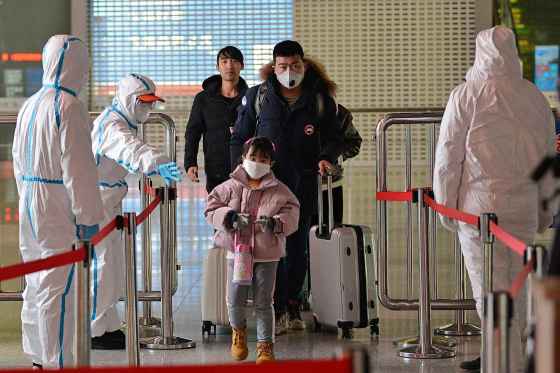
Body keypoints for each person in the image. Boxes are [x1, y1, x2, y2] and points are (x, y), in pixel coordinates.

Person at [433, 26, 556, 372]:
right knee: (516, 294)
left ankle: (503, 366)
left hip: (479, 214)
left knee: (489, 296)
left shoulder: (466, 95)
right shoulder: (534, 97)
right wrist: (546, 209)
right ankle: (512, 361)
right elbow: (549, 160)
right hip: (524, 211)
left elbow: (447, 158)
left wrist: (446, 208)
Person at [230, 40, 344, 335]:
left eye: (294, 66)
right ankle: (272, 308)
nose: (289, 71)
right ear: (274, 66)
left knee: (296, 247)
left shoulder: (320, 100)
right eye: (282, 66)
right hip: (264, 186)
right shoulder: (258, 97)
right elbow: (240, 138)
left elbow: (334, 137)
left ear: (303, 65)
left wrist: (326, 158)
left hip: (302, 184)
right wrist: (240, 176)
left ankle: (292, 304)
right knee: (265, 247)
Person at [11, 34, 104, 369]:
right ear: (77, 66)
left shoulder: (30, 104)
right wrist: (88, 215)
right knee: (58, 287)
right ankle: (58, 362)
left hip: (31, 200)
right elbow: (78, 169)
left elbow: (18, 161)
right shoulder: (69, 107)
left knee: (35, 282)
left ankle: (37, 356)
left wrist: (27, 197)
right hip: (57, 203)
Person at [90, 73, 182, 349]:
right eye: (143, 102)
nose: (148, 108)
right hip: (97, 202)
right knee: (103, 265)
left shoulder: (121, 120)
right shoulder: (113, 126)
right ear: (129, 99)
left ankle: (106, 325)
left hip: (106, 200)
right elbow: (130, 150)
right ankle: (95, 330)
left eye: (152, 103)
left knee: (112, 265)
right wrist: (157, 162)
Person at [205, 137, 300, 363]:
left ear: (271, 163)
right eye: (253, 157)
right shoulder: (228, 187)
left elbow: (293, 213)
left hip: (267, 254)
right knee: (234, 298)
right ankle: (238, 332)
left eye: (264, 159)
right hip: (237, 253)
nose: (257, 162)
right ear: (243, 158)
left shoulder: (281, 190)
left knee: (264, 301)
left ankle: (265, 346)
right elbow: (210, 208)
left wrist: (277, 223)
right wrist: (229, 217)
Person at [184, 46, 248, 193]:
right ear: (217, 66)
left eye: (234, 61)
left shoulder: (250, 97)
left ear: (242, 66)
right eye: (224, 61)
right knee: (218, 212)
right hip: (215, 170)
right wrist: (190, 162)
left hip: (246, 169)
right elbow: (193, 132)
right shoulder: (204, 99)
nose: (229, 66)